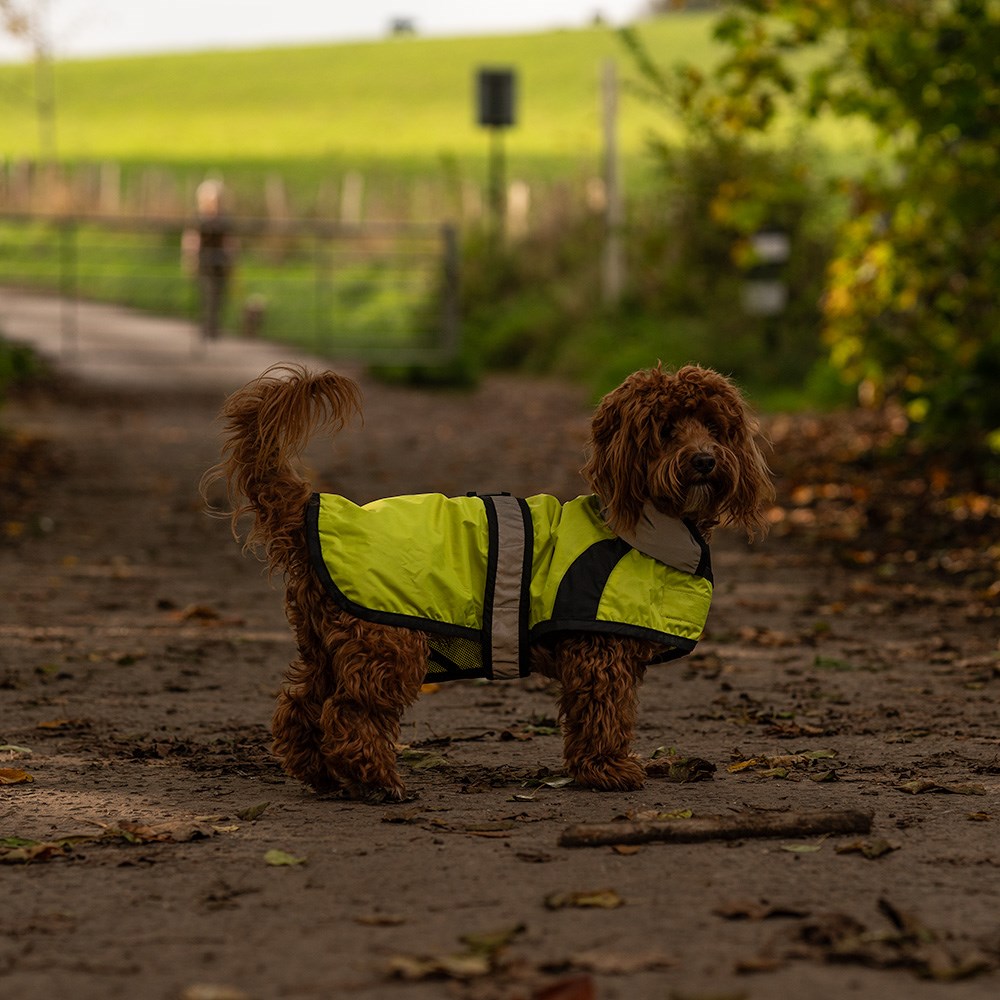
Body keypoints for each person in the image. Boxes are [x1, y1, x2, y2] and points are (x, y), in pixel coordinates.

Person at [182, 179, 237, 340]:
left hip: (220, 264)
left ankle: (213, 326)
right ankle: (206, 326)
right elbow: (192, 239)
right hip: (204, 263)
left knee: (219, 294)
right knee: (205, 293)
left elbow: (230, 241)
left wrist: (232, 260)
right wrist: (190, 258)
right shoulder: (198, 219)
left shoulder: (224, 219)